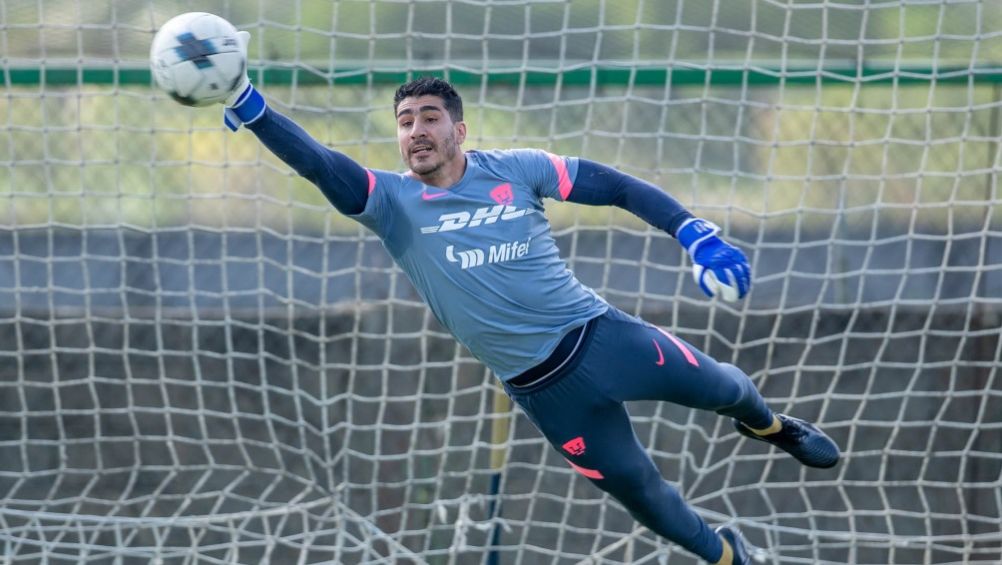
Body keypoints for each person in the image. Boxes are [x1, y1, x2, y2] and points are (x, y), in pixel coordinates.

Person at [212, 30, 840, 565]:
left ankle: (770, 426)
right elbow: (320, 164)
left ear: (459, 128)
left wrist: (693, 232)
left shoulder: (516, 169)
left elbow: (615, 186)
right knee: (643, 494)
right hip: (545, 390)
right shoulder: (390, 202)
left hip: (602, 338)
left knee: (728, 389)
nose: (417, 131)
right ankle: (728, 556)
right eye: (405, 123)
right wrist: (251, 105)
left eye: (430, 118)